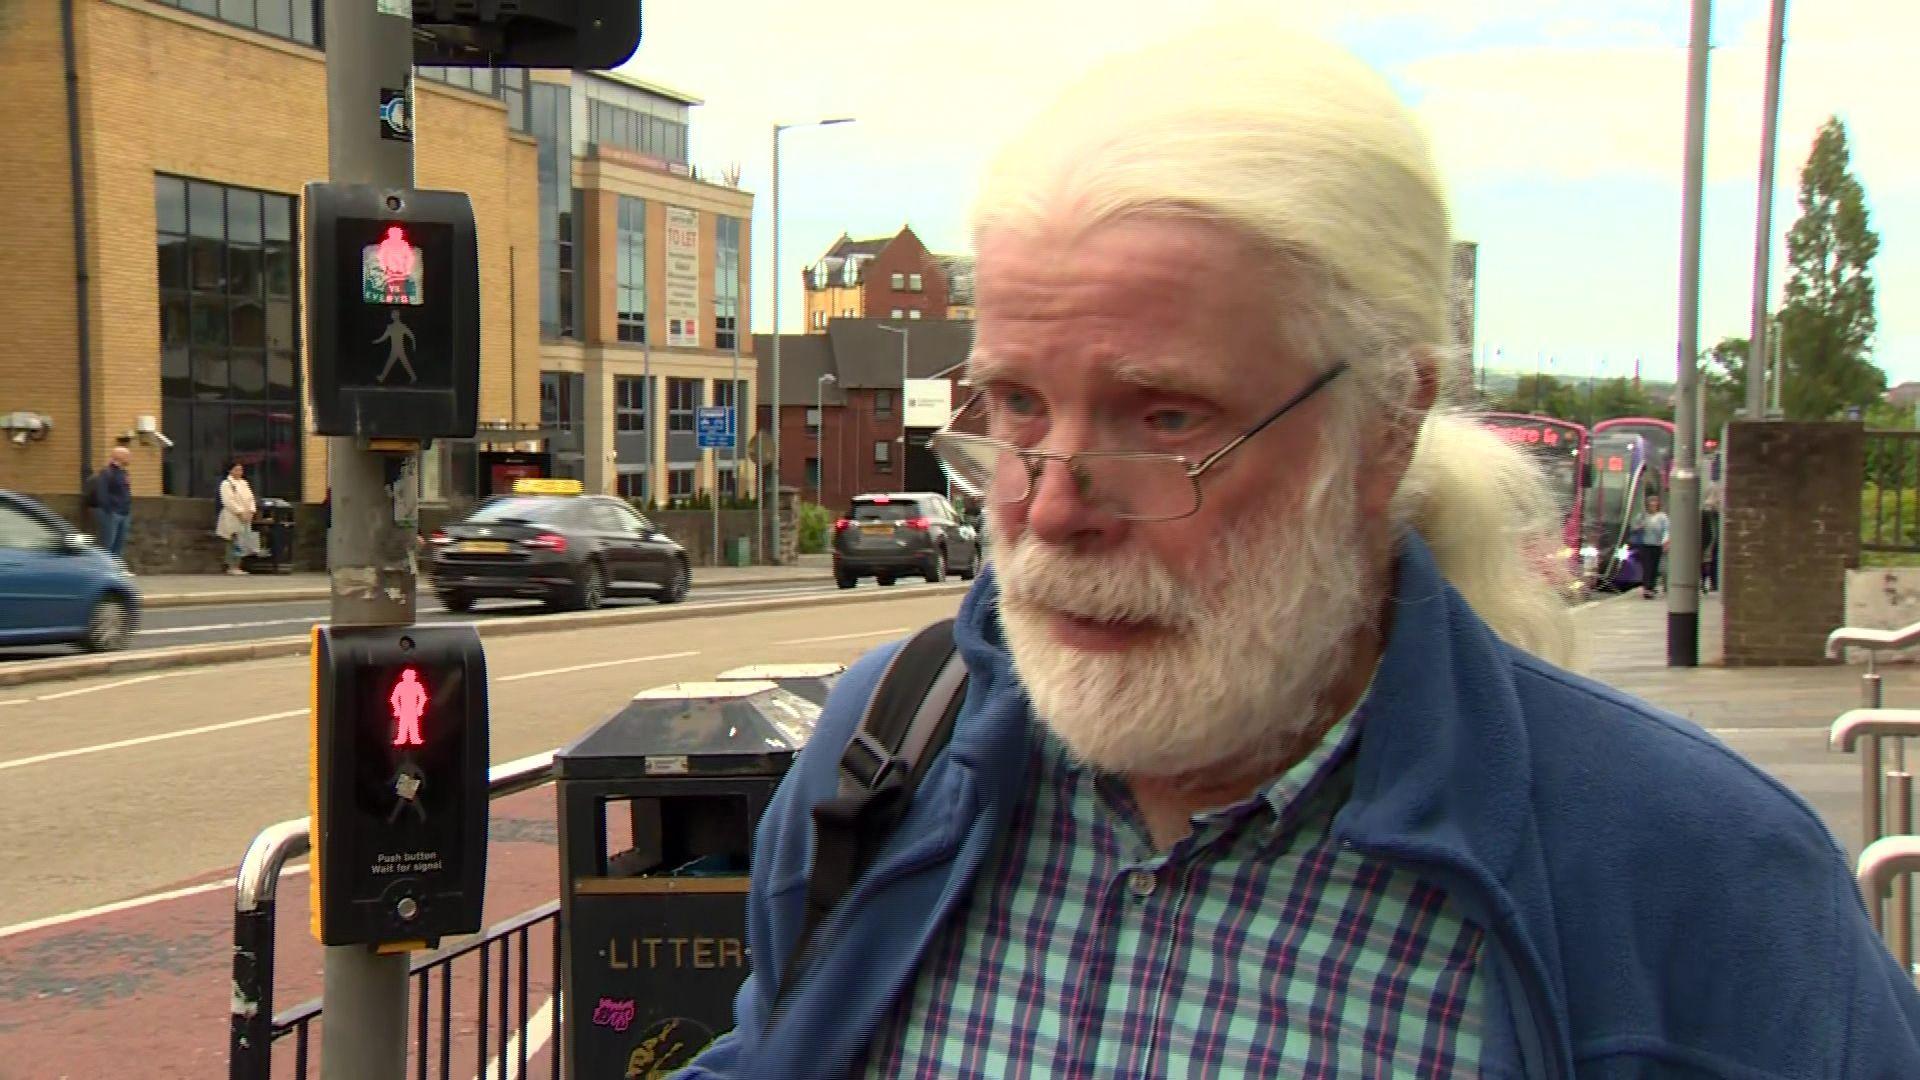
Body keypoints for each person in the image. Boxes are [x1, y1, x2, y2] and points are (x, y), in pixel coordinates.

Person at [677, 28, 1920, 1080]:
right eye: (1013, 406)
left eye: (1167, 417)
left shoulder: (1696, 882)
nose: (1052, 513)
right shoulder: (885, 755)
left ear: (1385, 422)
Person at [82, 445, 133, 564]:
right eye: (128, 456)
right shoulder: (107, 473)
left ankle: (115, 568)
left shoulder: (124, 473)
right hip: (111, 513)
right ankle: (104, 567)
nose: (130, 458)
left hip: (123, 513)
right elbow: (102, 493)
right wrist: (110, 509)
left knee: (119, 544)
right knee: (107, 543)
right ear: (119, 457)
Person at [215, 461, 260, 576]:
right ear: (230, 471)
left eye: (241, 470)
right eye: (236, 469)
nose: (239, 472)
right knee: (232, 540)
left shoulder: (244, 483)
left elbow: (250, 498)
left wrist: (251, 511)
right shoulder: (226, 484)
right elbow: (228, 501)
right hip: (232, 516)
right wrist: (240, 512)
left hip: (246, 516)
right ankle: (231, 565)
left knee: (243, 541)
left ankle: (238, 565)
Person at [1629, 492, 1670, 599]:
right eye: (1651, 502)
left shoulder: (1662, 517)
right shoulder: (1642, 516)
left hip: (1657, 545)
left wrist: (1665, 541)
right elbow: (1633, 527)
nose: (1653, 504)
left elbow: (1666, 530)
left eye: (1655, 502)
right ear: (1647, 504)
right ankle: (1647, 588)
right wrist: (1638, 527)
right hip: (1644, 545)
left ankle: (1651, 587)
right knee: (1647, 566)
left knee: (1654, 567)